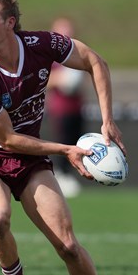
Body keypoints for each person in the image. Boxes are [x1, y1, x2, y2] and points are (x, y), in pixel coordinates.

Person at [0, 0, 126, 275]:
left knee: (69, 247)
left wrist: (107, 120)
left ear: (10, 22)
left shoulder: (43, 44)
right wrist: (66, 150)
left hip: (30, 159)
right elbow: (7, 140)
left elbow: (95, 62)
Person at [46, 17, 84, 198]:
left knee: (77, 141)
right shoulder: (51, 57)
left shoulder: (76, 52)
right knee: (63, 142)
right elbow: (45, 79)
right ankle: (60, 176)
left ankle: (69, 175)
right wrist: (60, 80)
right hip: (61, 109)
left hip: (77, 108)